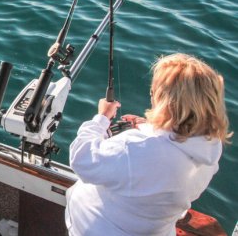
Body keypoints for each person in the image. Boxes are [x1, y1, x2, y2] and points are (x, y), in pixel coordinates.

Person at [65, 53, 231, 236]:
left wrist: (101, 118)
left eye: (154, 93)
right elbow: (168, 155)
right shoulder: (210, 147)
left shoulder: (135, 149)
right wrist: (151, 126)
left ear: (165, 102)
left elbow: (81, 159)